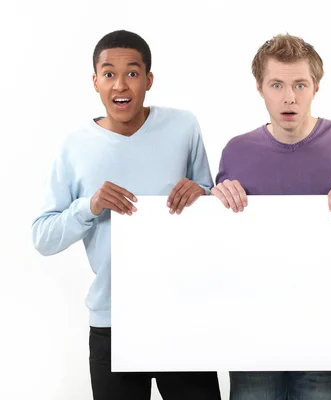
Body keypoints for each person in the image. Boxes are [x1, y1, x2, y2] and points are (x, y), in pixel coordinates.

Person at [31, 30, 221, 400]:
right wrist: (90, 205)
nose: (120, 84)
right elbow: (42, 237)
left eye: (132, 73)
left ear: (149, 80)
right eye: (108, 73)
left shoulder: (184, 127)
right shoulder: (74, 146)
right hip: (113, 322)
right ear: (95, 81)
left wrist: (205, 193)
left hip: (181, 316)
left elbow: (213, 211)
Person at [212, 33, 331, 399]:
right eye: (276, 84)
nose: (289, 97)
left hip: (327, 329)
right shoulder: (236, 151)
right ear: (260, 88)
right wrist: (212, 201)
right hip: (254, 331)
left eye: (299, 84)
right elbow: (222, 241)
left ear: (316, 88)